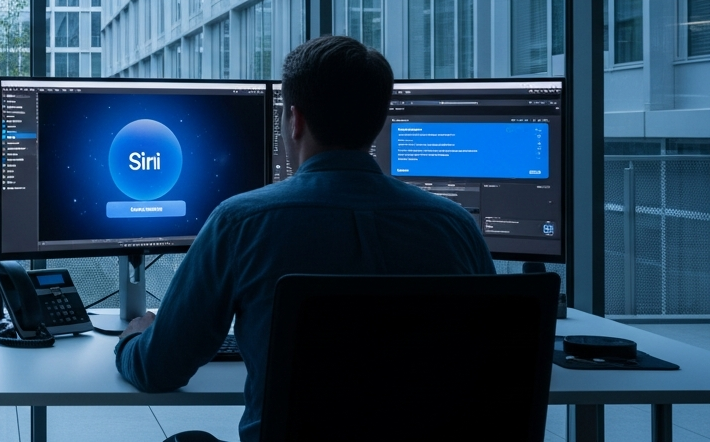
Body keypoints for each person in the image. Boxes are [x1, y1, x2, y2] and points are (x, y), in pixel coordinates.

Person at [114, 36, 496, 442]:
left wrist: (134, 340)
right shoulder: (456, 227)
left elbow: (161, 369)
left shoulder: (241, 222)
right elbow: (496, 361)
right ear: (380, 121)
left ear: (294, 120)